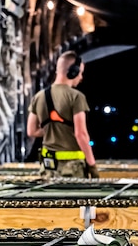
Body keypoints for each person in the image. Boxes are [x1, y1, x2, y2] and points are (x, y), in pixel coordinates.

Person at [26, 51, 99, 179]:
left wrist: (54, 129)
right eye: (80, 72)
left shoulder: (39, 96)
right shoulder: (76, 97)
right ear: (73, 72)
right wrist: (92, 165)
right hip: (72, 169)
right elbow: (81, 134)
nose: (81, 77)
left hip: (48, 168)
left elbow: (31, 131)